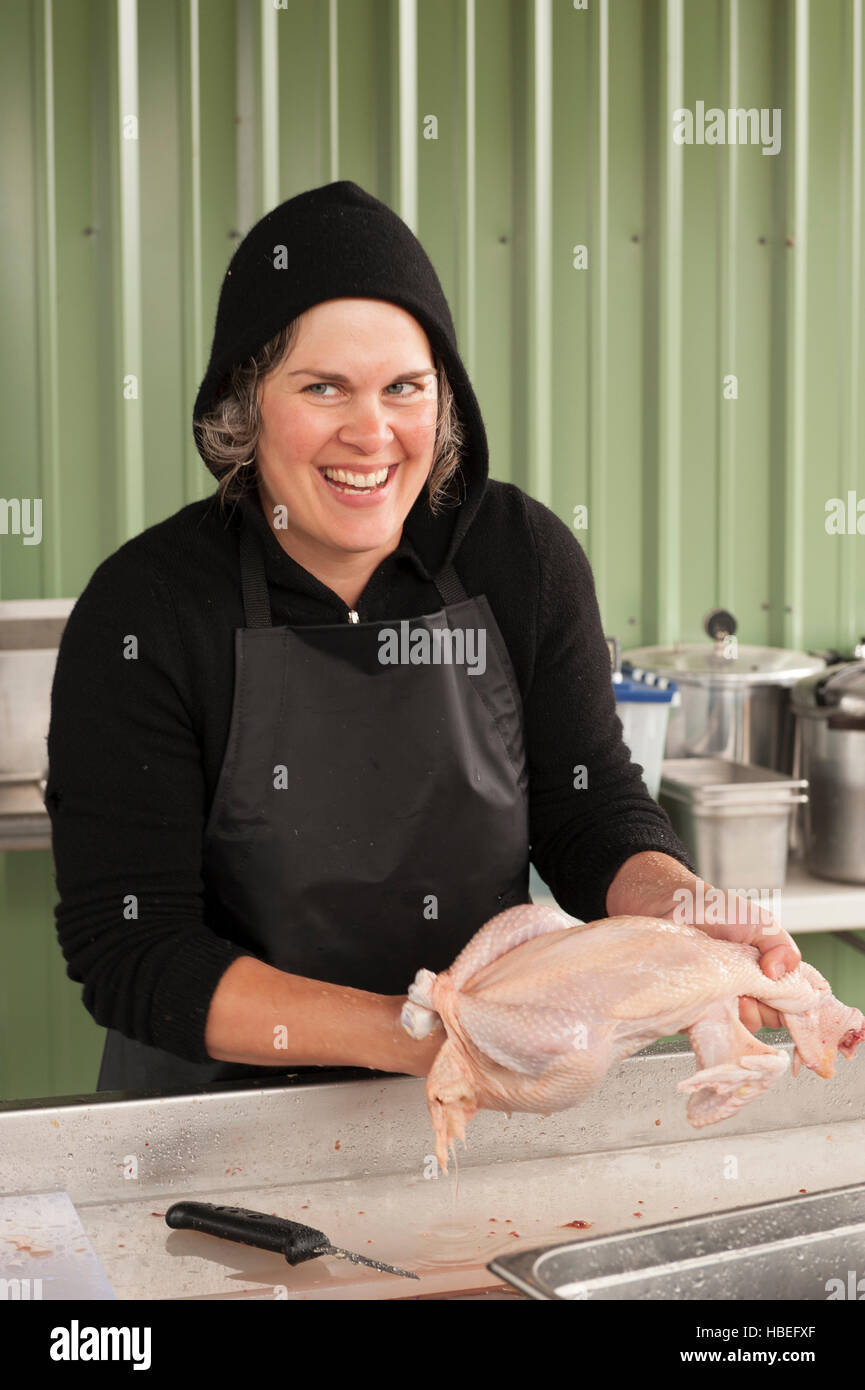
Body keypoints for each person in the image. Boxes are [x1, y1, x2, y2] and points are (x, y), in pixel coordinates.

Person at [45, 180, 800, 1093]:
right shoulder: (148, 607)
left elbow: (587, 813)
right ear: (245, 405)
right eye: (323, 387)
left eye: (405, 388)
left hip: (481, 1110)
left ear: (444, 403)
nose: (372, 434)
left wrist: (684, 906)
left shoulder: (517, 557)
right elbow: (133, 947)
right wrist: (437, 1032)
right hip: (214, 1130)